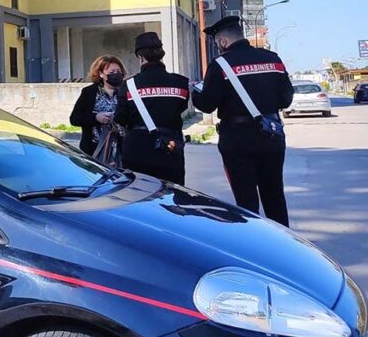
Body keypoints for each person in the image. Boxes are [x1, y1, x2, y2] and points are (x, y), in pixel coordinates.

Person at [191, 16, 295, 227]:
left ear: (221, 41)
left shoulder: (220, 65)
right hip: (271, 135)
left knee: (245, 199)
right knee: (274, 193)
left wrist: (196, 92)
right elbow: (286, 98)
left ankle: (253, 246)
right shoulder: (272, 59)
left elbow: (207, 104)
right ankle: (284, 246)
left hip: (237, 139)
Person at [114, 32, 189, 184]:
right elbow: (181, 107)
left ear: (140, 57)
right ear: (161, 55)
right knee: (171, 198)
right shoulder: (180, 82)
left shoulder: (129, 86)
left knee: (139, 198)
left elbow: (120, 117)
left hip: (137, 150)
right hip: (170, 149)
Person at [70, 55, 126, 158]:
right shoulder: (89, 92)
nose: (116, 74)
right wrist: (96, 117)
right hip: (95, 149)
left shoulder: (127, 91)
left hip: (122, 148)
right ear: (101, 74)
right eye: (111, 72)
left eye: (118, 71)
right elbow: (75, 119)